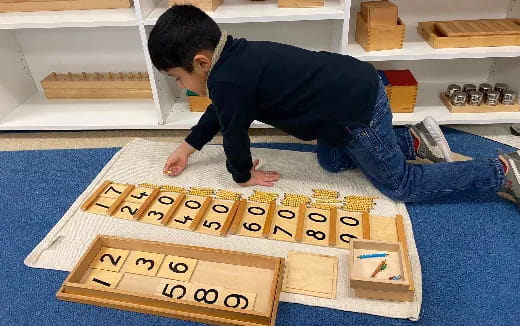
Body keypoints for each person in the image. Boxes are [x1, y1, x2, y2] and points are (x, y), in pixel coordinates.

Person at [147, 5, 519, 207]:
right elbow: (222, 111)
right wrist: (188, 145)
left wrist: (241, 175)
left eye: (178, 78)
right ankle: (414, 142)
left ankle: (500, 170)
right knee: (333, 162)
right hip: (351, 89)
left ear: (200, 61)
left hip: (356, 111)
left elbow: (233, 134)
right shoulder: (232, 57)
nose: (182, 87)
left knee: (403, 186)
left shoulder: (227, 79)